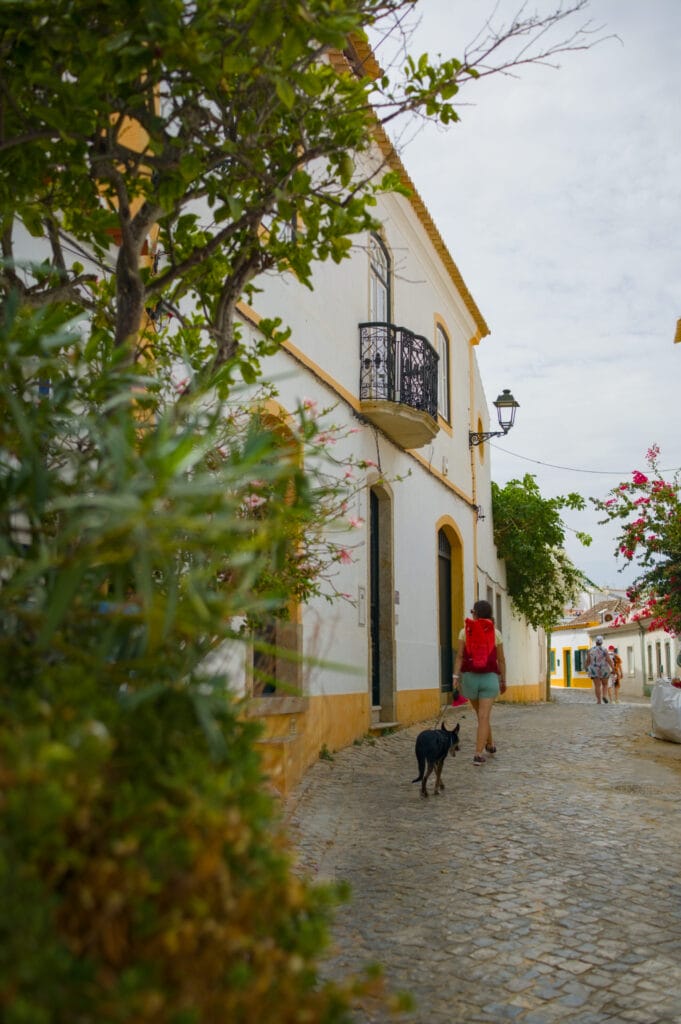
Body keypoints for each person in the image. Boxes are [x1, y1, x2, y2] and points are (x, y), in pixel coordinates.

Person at [452, 599, 506, 765]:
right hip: (489, 678)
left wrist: (455, 677)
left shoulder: (464, 632)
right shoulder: (495, 633)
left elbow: (460, 656)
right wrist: (503, 679)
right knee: (484, 716)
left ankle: (490, 744)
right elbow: (501, 659)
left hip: (470, 678)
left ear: (474, 613)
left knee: (480, 715)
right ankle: (478, 753)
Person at [585, 635, 614, 704]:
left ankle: (599, 700)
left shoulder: (591, 650)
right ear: (602, 642)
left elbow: (588, 661)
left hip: (594, 669)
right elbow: (608, 660)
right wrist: (613, 668)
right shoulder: (604, 650)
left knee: (597, 686)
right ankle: (604, 696)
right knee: (605, 684)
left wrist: (586, 668)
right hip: (604, 668)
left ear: (596, 642)